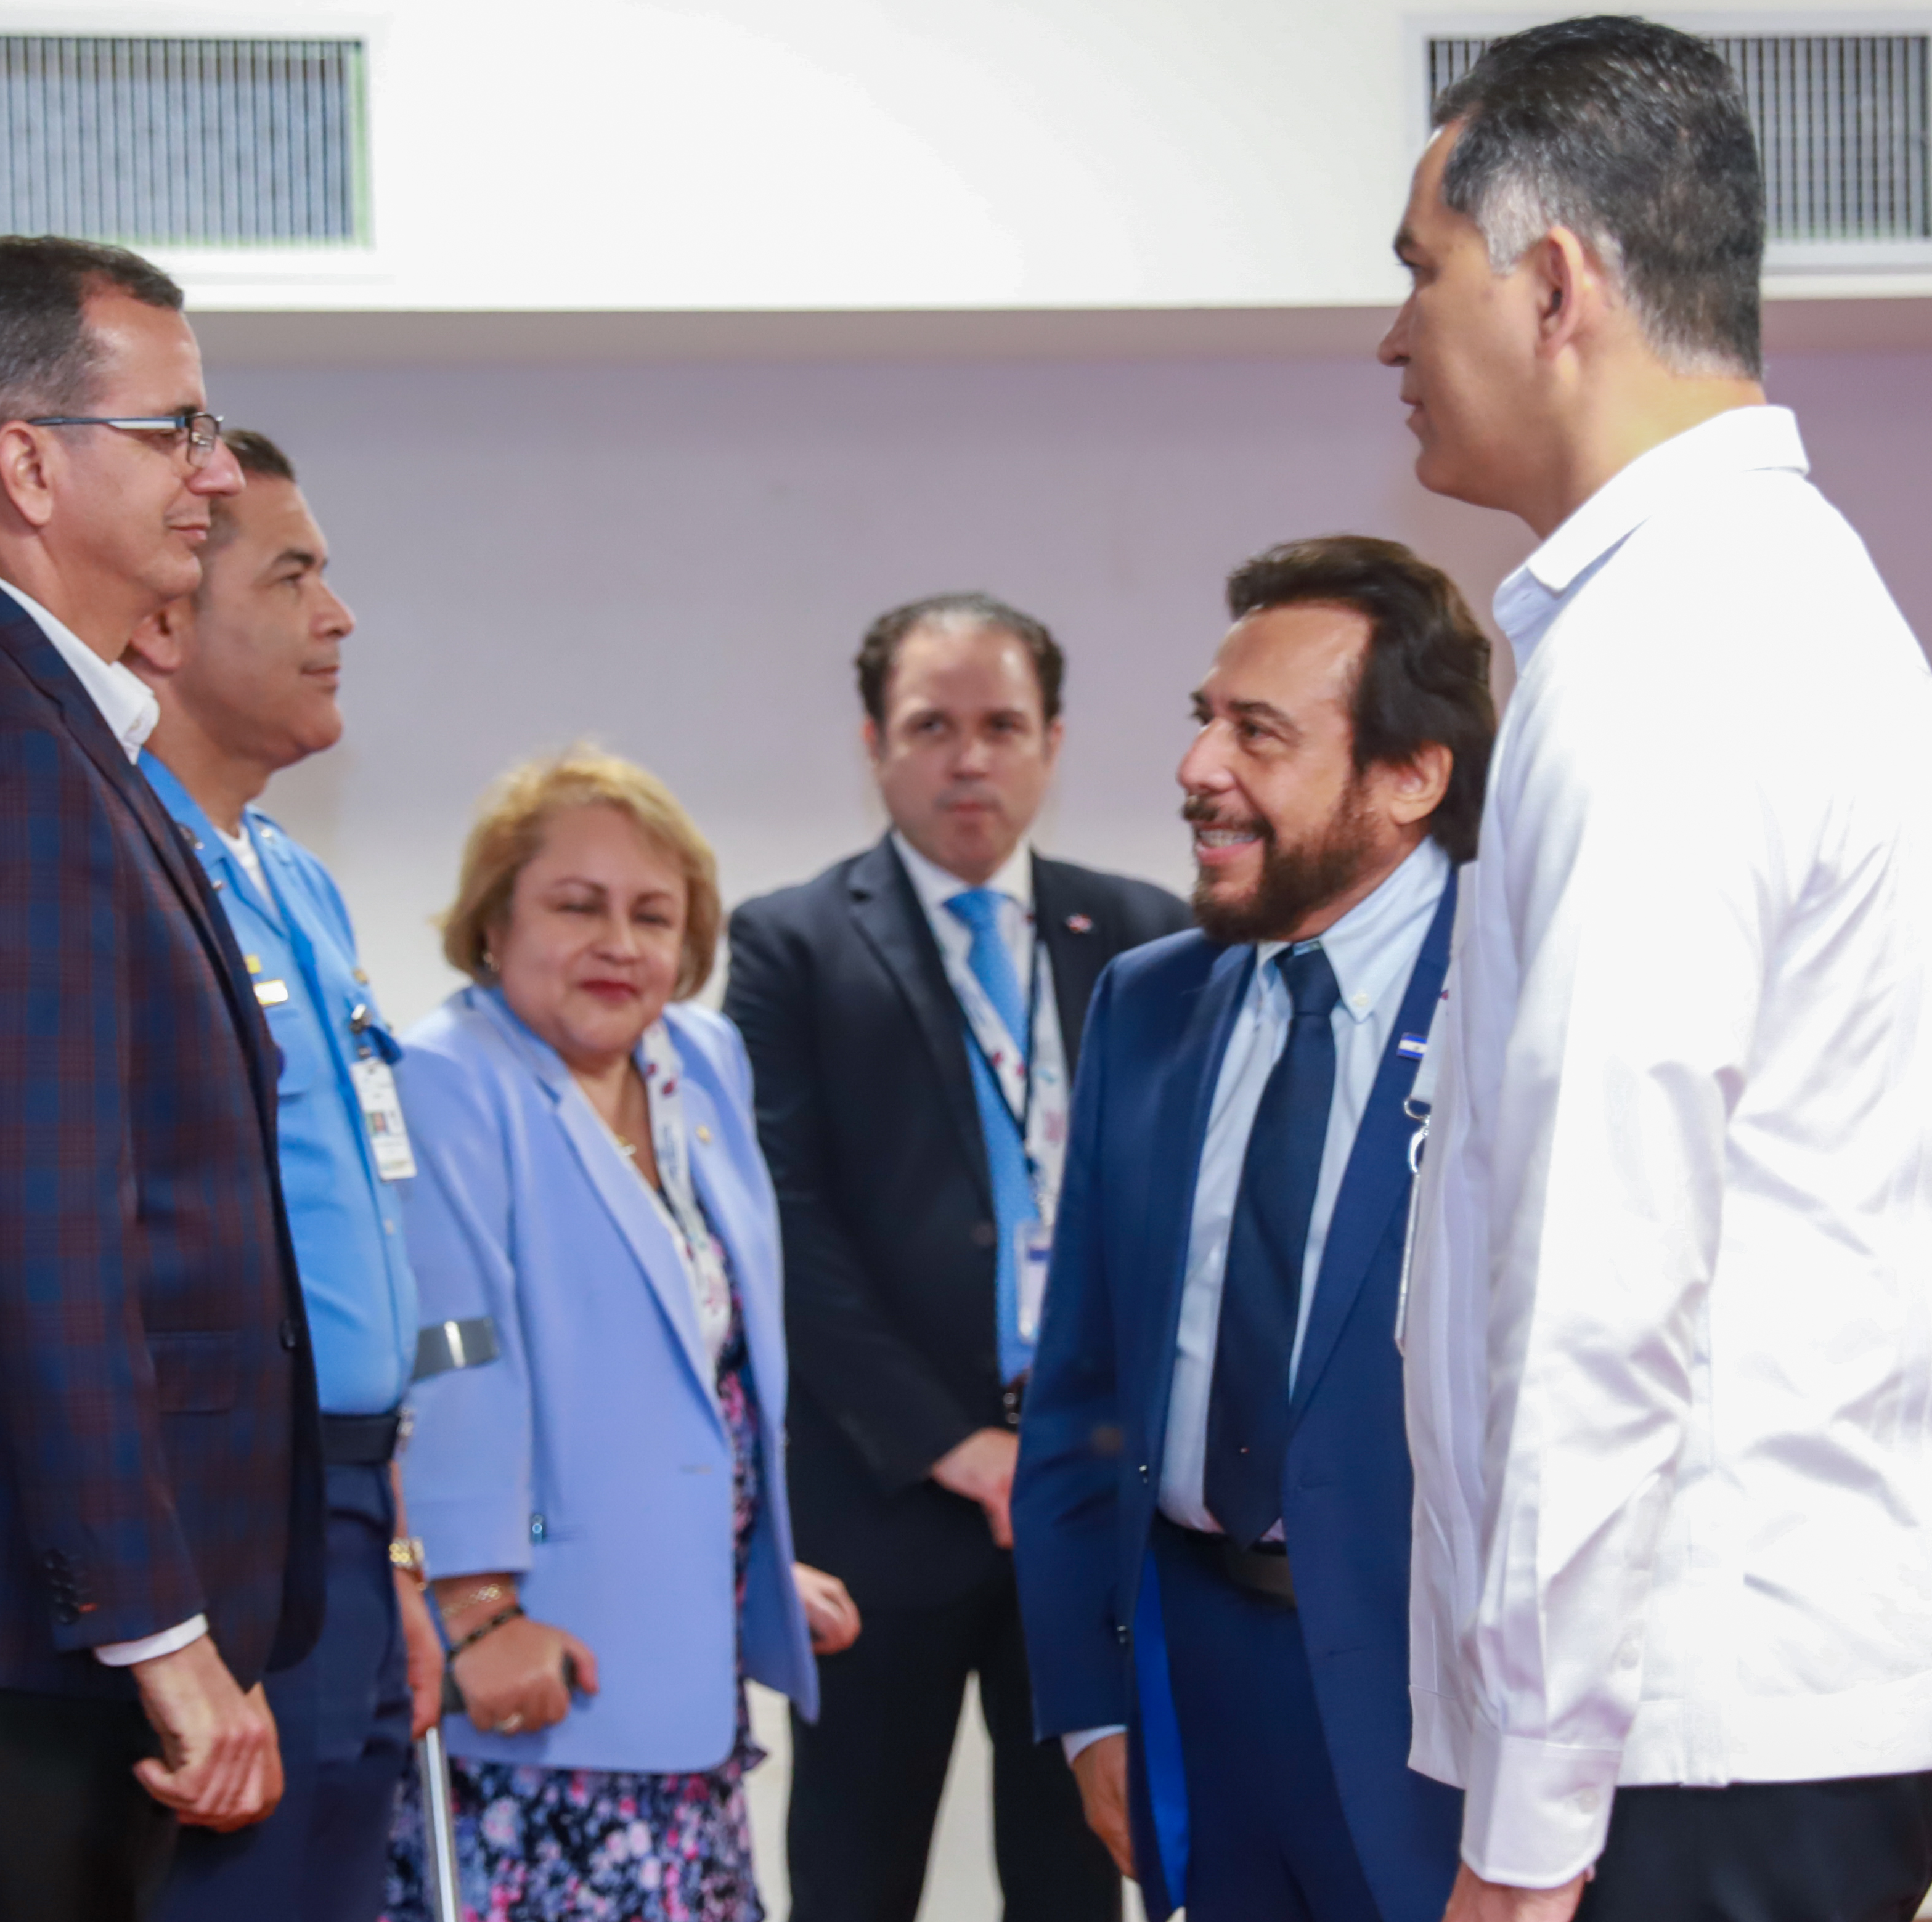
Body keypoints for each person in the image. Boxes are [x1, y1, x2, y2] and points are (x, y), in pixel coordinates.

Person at [1381, 16, 1932, 1921]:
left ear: (1554, 284)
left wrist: (1528, 1820)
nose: (1392, 335)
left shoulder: (1670, 648)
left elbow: (1605, 1257)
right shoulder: (1759, 588)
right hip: (1759, 1688)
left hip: (1699, 1706)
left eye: (1421, 268)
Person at [0, 235, 324, 1922]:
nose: (216, 473)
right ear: (29, 466)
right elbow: (37, 1237)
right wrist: (157, 1628)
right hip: (42, 1633)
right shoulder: (5, 752)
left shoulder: (51, 724)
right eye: (176, 430)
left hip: (68, 1619)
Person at [1015, 537, 1496, 1922]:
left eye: (1257, 734)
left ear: (1410, 776)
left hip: (1435, 1718)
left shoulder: (1521, 1000)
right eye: (1203, 720)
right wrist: (1092, 1705)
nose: (1197, 768)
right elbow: (1083, 1384)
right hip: (1192, 1685)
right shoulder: (1150, 1003)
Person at [723, 593, 1186, 1922]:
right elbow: (784, 1220)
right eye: (932, 726)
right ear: (875, 743)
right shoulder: (791, 941)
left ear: (1052, 743)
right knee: (854, 1873)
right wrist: (955, 1444)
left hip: (1090, 1496)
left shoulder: (1147, 934)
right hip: (887, 1501)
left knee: (1076, 1871)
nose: (969, 759)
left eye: (1002, 726)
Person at [381, 747, 860, 1922]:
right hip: (540, 1656)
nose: (619, 943)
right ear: (494, 920)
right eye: (576, 905)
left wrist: (744, 1552)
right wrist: (476, 1608)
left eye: (653, 914)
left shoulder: (700, 1059)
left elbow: (709, 1363)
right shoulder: (446, 1079)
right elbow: (451, 1359)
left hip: (687, 1661)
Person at [119, 427, 439, 1922]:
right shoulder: (129, 866)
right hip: (223, 1521)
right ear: (165, 619)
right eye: (294, 576)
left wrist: (401, 1559)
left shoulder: (294, 878)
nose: (340, 616)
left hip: (352, 1512)